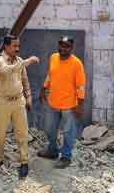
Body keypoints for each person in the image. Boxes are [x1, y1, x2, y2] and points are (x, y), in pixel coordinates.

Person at [0, 34, 40, 178]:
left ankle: (24, 162)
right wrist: (28, 61)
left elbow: (25, 80)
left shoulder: (19, 61)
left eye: (18, 46)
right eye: (14, 46)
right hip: (2, 101)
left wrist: (28, 96)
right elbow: (7, 70)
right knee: (0, 133)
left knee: (22, 133)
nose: (17, 49)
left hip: (18, 101)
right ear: (6, 46)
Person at [38, 36, 86, 169]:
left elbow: (81, 85)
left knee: (68, 132)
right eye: (61, 45)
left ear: (71, 48)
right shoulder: (53, 57)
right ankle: (52, 151)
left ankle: (66, 156)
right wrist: (43, 88)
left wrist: (79, 105)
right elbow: (50, 74)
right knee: (49, 129)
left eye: (67, 46)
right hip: (53, 102)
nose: (63, 49)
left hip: (69, 105)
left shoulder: (77, 63)